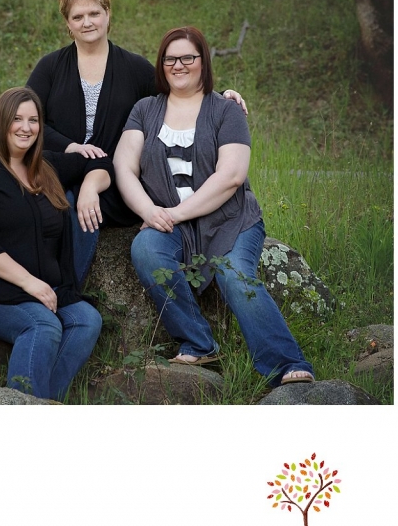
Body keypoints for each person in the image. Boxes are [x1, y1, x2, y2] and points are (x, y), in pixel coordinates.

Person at [113, 26, 314, 387]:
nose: (178, 65)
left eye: (187, 57)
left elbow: (232, 175)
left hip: (230, 220)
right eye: (170, 58)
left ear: (203, 62)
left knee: (234, 274)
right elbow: (123, 166)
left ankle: (285, 363)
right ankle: (199, 343)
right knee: (146, 249)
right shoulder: (145, 110)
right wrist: (148, 211)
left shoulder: (226, 109)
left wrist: (172, 214)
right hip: (172, 226)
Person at [26, 0, 248, 285]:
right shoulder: (49, 68)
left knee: (76, 203)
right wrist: (70, 147)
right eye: (78, 16)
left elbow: (179, 89)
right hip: (59, 166)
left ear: (108, 15)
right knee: (45, 200)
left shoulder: (134, 68)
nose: (87, 22)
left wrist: (223, 94)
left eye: (94, 13)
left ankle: (68, 290)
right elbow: (26, 119)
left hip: (114, 180)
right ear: (67, 23)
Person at [0, 86, 108, 401]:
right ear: (1, 122)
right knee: (42, 325)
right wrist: (31, 284)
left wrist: (88, 190)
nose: (26, 127)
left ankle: (45, 402)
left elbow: (99, 164)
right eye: (17, 119)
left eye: (33, 120)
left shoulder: (46, 167)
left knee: (86, 320)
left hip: (32, 289)